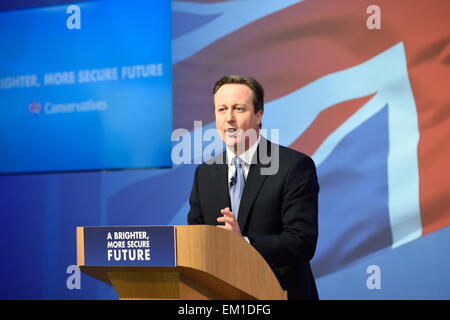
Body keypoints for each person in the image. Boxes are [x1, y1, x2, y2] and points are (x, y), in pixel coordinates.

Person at [187, 75, 320, 300]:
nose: (229, 118)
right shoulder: (205, 173)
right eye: (221, 109)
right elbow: (196, 240)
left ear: (259, 115)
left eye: (239, 109)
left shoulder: (293, 166)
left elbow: (301, 242)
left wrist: (244, 244)